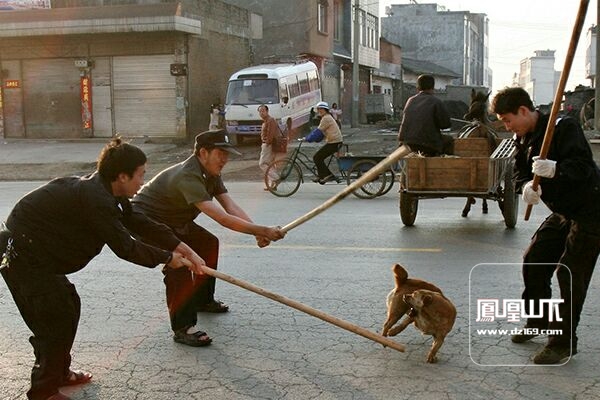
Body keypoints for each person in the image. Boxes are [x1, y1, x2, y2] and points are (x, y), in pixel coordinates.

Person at [0, 138, 207, 400]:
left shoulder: (111, 193)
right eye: (140, 175)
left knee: (68, 305)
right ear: (122, 176)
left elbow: (137, 221)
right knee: (54, 319)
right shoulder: (96, 199)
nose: (142, 182)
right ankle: (43, 391)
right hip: (22, 256)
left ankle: (59, 372)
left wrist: (180, 245)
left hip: (40, 255)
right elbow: (126, 247)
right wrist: (168, 258)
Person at [131, 129, 286, 347]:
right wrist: (261, 230)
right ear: (203, 153)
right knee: (180, 262)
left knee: (208, 243)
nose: (225, 159)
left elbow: (230, 206)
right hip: (147, 221)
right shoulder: (188, 175)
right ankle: (183, 328)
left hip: (176, 221)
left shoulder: (211, 173)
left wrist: (258, 232)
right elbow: (221, 218)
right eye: (220, 153)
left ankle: (203, 300)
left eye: (227, 153)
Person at [491, 87, 600, 364]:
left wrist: (556, 170)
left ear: (524, 111)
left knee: (570, 273)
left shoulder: (563, 127)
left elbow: (584, 169)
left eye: (507, 119)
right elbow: (518, 175)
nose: (506, 126)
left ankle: (562, 343)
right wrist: (526, 186)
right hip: (563, 211)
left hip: (591, 208)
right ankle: (539, 320)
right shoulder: (522, 138)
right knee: (535, 259)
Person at [398, 74, 453, 155]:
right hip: (428, 144)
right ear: (433, 87)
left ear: (418, 87)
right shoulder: (436, 102)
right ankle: (443, 164)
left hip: (407, 143)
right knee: (449, 140)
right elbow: (445, 124)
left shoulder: (410, 100)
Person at [305, 101, 344, 184]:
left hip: (334, 143)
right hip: (334, 142)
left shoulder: (326, 118)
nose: (319, 111)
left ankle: (327, 175)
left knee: (317, 157)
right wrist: (314, 139)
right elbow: (321, 134)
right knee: (319, 157)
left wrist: (307, 138)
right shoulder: (327, 117)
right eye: (318, 109)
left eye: (321, 109)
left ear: (325, 110)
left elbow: (317, 132)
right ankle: (321, 175)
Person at [258, 104, 287, 190]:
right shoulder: (266, 121)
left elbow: (271, 133)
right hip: (268, 144)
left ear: (267, 111)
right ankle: (273, 185)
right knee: (270, 164)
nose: (261, 113)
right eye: (260, 111)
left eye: (263, 111)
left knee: (262, 163)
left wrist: (267, 143)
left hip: (269, 145)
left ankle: (276, 178)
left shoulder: (270, 120)